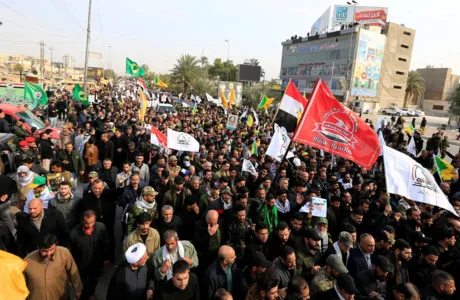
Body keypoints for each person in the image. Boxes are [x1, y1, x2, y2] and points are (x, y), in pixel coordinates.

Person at [23, 233, 83, 300]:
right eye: (44, 251)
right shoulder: (27, 261)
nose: (48, 254)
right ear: (38, 248)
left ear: (56, 244)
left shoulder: (64, 253)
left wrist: (78, 290)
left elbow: (73, 272)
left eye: (51, 249)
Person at [69, 210, 109, 300]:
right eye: (87, 223)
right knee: (82, 284)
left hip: (96, 262)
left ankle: (91, 293)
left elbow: (106, 243)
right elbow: (70, 251)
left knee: (94, 280)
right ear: (82, 221)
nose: (89, 226)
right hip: (81, 264)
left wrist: (106, 258)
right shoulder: (74, 233)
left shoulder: (101, 228)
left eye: (92, 222)